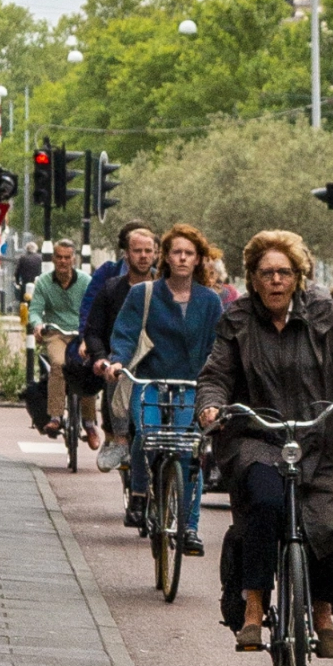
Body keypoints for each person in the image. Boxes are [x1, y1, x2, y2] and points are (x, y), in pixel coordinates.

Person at [198, 231, 333, 655]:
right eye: (267, 273)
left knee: (331, 523)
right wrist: (212, 408)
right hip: (258, 437)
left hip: (323, 438)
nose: (275, 281)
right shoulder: (237, 319)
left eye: (284, 273)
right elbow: (216, 375)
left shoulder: (325, 313)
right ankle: (253, 607)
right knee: (266, 504)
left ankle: (323, 614)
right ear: (253, 278)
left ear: (298, 277)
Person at [100, 225, 224, 546]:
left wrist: (219, 378)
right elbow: (126, 334)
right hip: (151, 380)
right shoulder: (144, 294)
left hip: (190, 386)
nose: (182, 258)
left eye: (189, 253)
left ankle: (189, 529)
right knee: (146, 434)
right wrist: (117, 362)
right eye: (176, 252)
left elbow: (219, 346)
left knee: (189, 454)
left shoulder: (210, 301)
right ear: (166, 256)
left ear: (198, 260)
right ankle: (140, 493)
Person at [84, 223, 162, 474]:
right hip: (121, 363)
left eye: (148, 251)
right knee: (115, 382)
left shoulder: (166, 290)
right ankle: (118, 442)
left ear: (157, 254)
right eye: (137, 250)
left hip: (157, 364)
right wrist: (100, 358)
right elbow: (94, 330)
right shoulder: (111, 289)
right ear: (126, 254)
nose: (143, 256)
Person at [30, 240, 96, 445]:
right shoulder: (43, 282)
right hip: (56, 333)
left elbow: (94, 309)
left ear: (73, 259)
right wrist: (38, 324)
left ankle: (89, 423)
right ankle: (56, 417)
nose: (63, 261)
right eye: (59, 257)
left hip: (81, 333)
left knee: (87, 369)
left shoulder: (86, 281)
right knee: (58, 364)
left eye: (67, 257)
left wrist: (90, 335)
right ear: (53, 259)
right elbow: (35, 310)